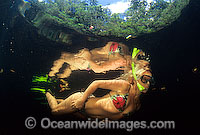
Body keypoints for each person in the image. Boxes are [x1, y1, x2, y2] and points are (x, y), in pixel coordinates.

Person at [45, 48, 154, 120]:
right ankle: (47, 91)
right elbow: (96, 83)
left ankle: (60, 100)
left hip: (86, 115)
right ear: (138, 76)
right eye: (145, 79)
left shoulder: (137, 106)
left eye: (150, 80)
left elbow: (111, 118)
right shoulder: (124, 86)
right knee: (55, 111)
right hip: (82, 101)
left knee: (65, 109)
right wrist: (81, 100)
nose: (148, 83)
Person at [48, 42, 130, 78]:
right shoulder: (120, 58)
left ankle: (55, 73)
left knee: (70, 64)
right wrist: (88, 57)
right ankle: (53, 74)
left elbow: (99, 68)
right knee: (64, 57)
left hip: (86, 61)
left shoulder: (120, 49)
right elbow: (98, 69)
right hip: (85, 60)